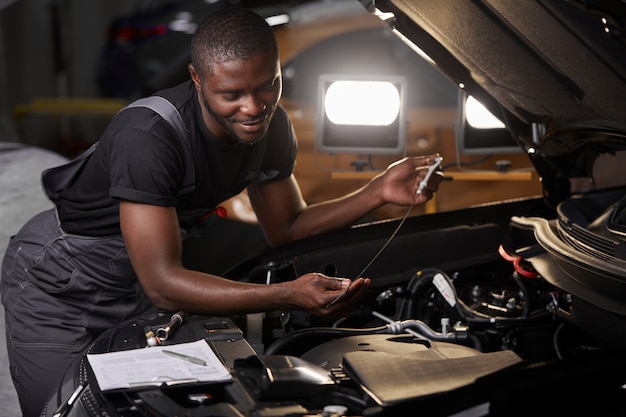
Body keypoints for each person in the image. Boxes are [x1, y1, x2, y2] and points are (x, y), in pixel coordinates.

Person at [1, 7, 443, 417]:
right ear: (196, 78)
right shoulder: (149, 135)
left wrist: (377, 191)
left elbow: (286, 228)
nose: (253, 108)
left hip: (134, 283)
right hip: (58, 285)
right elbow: (164, 286)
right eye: (231, 94)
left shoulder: (270, 127)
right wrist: (286, 294)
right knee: (67, 411)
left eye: (266, 84)